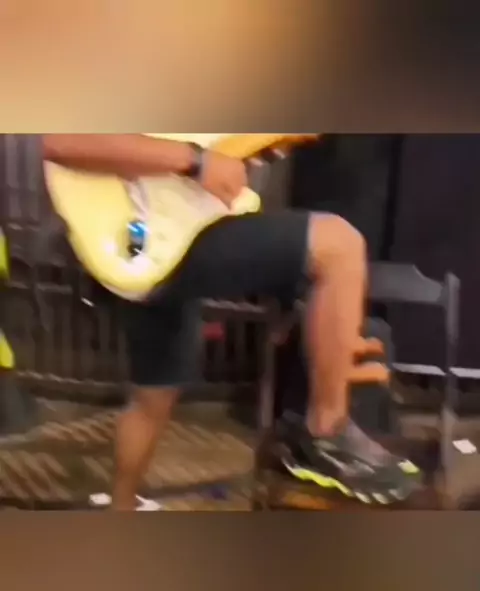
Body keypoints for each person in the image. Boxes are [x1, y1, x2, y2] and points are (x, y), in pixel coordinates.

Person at [4, 134, 420, 510]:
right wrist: (197, 161)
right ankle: (326, 432)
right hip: (159, 237)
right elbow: (61, 140)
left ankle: (122, 508)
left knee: (154, 395)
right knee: (339, 244)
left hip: (161, 244)